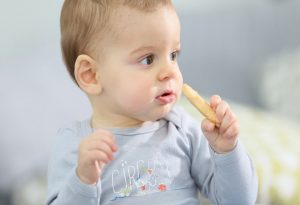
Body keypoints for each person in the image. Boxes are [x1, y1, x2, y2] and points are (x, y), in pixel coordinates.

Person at [46, 0, 258, 204]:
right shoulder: (75, 144)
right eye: (147, 59)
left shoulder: (183, 130)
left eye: (173, 55)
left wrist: (226, 150)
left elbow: (239, 200)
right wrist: (83, 180)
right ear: (91, 75)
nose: (170, 72)